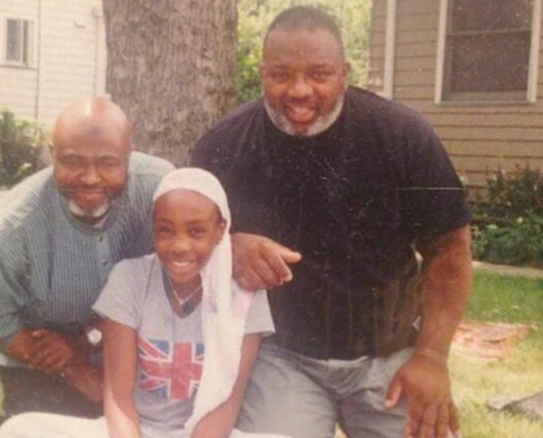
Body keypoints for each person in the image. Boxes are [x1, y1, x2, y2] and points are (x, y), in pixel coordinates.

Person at [191, 6, 473, 438]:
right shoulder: (223, 146)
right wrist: (229, 247)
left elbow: (450, 249)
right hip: (282, 357)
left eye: (319, 74)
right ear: (262, 73)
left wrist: (432, 358)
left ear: (345, 72)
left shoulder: (403, 135)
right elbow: (183, 241)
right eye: (281, 74)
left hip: (390, 354)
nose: (299, 90)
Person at [0, 168, 283, 438]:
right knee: (18, 430)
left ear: (220, 230)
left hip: (206, 434)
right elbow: (119, 395)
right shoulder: (130, 278)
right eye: (166, 230)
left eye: (196, 231)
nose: (180, 245)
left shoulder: (244, 292)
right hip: (132, 429)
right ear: (153, 229)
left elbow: (229, 399)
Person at [0, 97, 174, 419]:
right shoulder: (15, 224)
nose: (90, 178)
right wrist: (71, 367)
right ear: (52, 155)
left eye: (107, 163)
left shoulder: (164, 191)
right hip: (44, 368)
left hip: (144, 355)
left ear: (128, 157)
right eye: (73, 162)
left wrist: (84, 343)